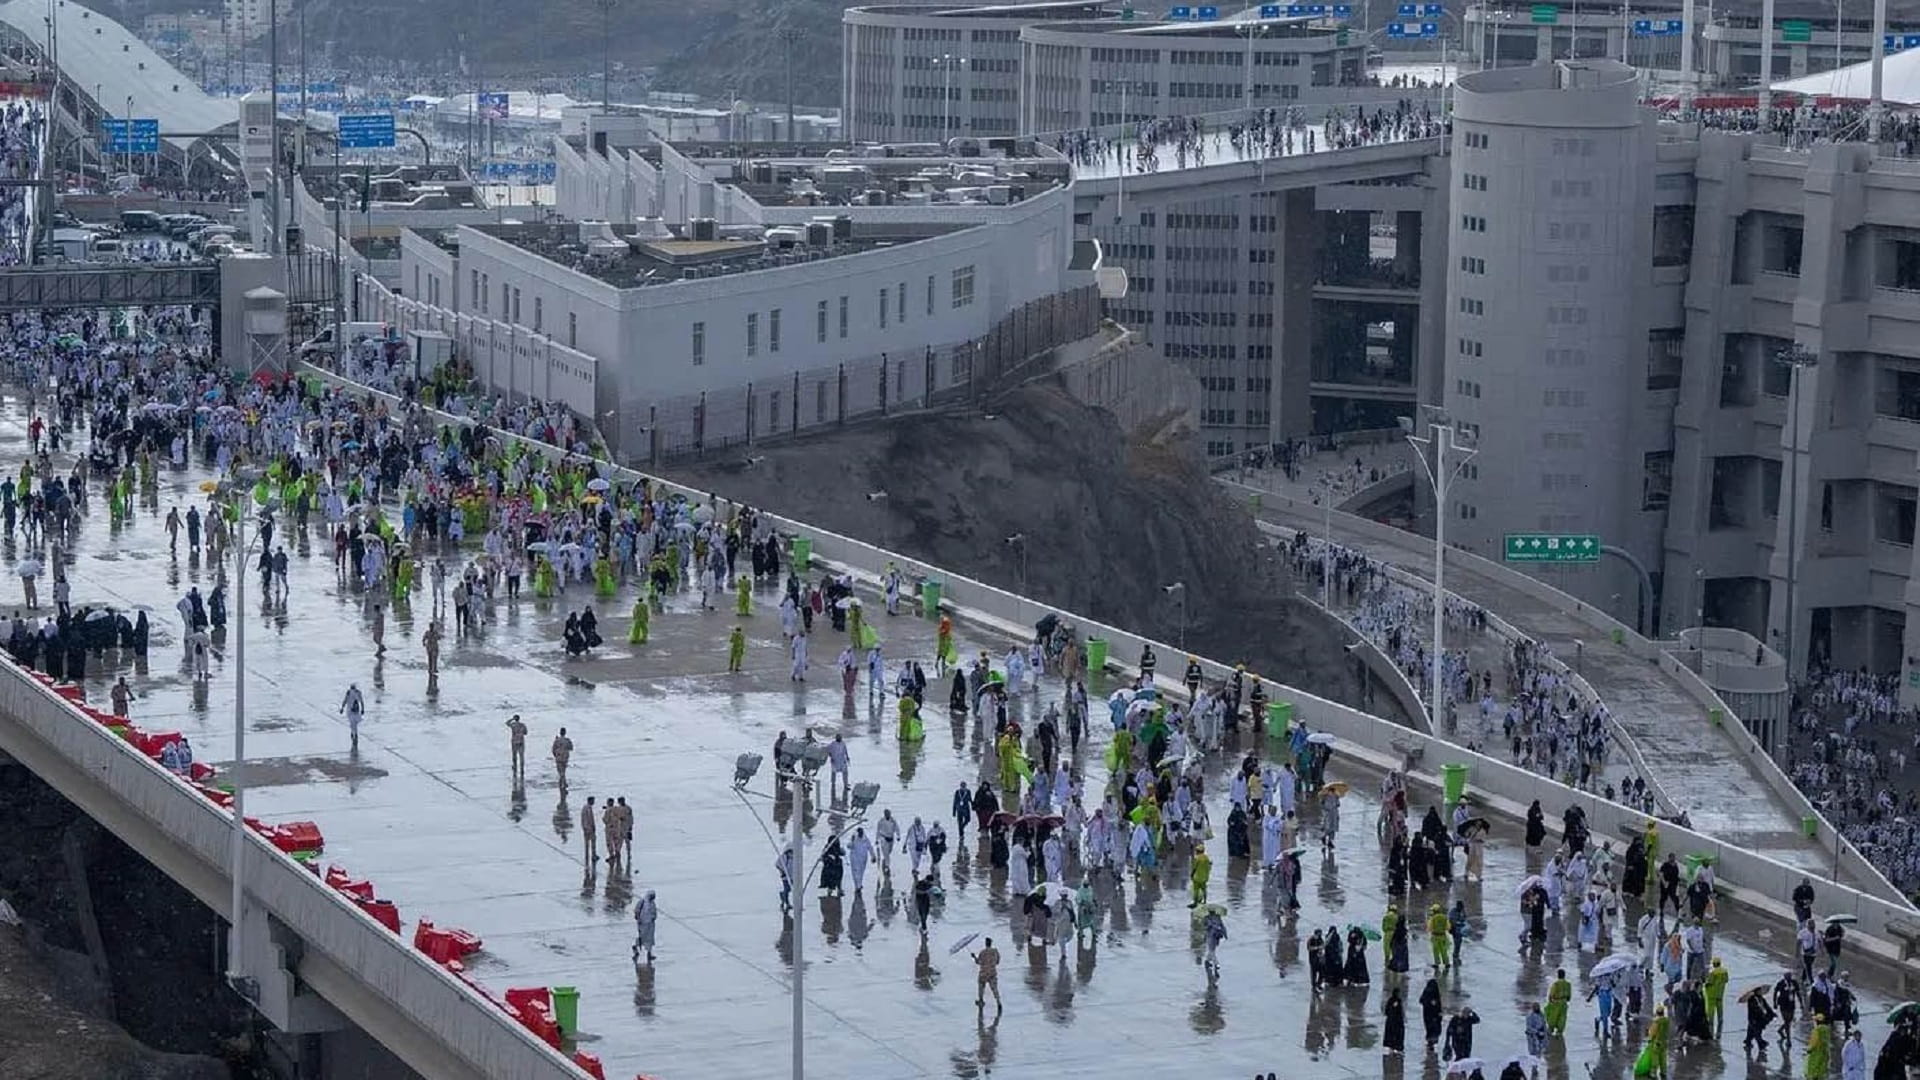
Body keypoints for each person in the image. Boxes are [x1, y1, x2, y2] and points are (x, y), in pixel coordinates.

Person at [1744, 982, 1777, 1054]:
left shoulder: (1761, 998)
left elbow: (1767, 1006)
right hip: (1754, 1019)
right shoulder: (1752, 999)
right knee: (1757, 1033)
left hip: (1760, 1018)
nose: (1761, 992)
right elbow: (1754, 1009)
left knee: (1751, 1032)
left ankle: (1748, 1041)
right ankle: (1761, 1045)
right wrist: (1760, 1011)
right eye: (1759, 991)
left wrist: (1772, 1013)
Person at [973, 937, 1002, 1010]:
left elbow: (978, 962)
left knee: (981, 986)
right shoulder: (995, 952)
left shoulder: (982, 952)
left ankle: (981, 1000)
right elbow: (998, 962)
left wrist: (974, 957)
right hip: (992, 972)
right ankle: (998, 1002)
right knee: (995, 989)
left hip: (983, 973)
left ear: (985, 943)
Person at [1545, 968, 1572, 1035]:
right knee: (1562, 1017)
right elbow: (1569, 996)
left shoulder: (1556, 984)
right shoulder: (1568, 984)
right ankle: (1559, 1031)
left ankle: (1551, 1029)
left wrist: (1550, 1000)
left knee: (1553, 1016)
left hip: (1556, 1002)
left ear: (1558, 975)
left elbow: (1551, 994)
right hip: (1564, 1003)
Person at [1419, 976, 1444, 1047]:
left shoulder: (1428, 992)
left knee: (1431, 1028)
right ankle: (1431, 1041)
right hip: (1431, 1014)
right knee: (1432, 1028)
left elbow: (1422, 1000)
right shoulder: (1432, 992)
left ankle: (1431, 1040)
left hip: (1429, 1014)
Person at [340, 683, 365, 750]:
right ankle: (354, 733)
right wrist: (342, 707)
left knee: (354, 722)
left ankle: (354, 733)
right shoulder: (353, 692)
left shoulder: (356, 692)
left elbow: (361, 701)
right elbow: (345, 700)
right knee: (353, 722)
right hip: (351, 710)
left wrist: (342, 708)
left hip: (354, 710)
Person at [1383, 988, 1406, 1055]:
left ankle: (1392, 1048)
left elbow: (1386, 1012)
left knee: (1391, 1035)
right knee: (1397, 1035)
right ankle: (1396, 1049)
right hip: (1397, 1022)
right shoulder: (1397, 1001)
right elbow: (1399, 1012)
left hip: (1390, 1022)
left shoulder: (1390, 1000)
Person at [580, 796, 600, 863]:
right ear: (590, 801)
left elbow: (583, 819)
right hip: (589, 828)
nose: (594, 802)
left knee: (587, 843)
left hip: (586, 828)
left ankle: (587, 855)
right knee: (593, 842)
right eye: (593, 801)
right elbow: (589, 819)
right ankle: (593, 855)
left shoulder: (585, 808)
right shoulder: (588, 808)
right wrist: (592, 827)